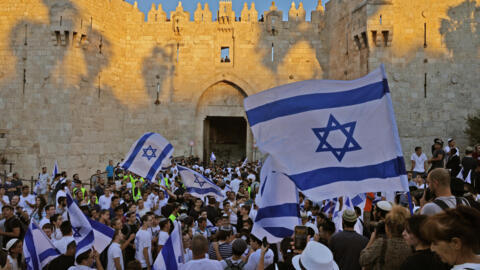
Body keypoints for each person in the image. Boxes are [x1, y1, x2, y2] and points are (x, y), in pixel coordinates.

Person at [359, 206, 412, 270]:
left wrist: (371, 240)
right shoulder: (410, 245)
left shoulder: (381, 243)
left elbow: (363, 259)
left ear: (388, 227)